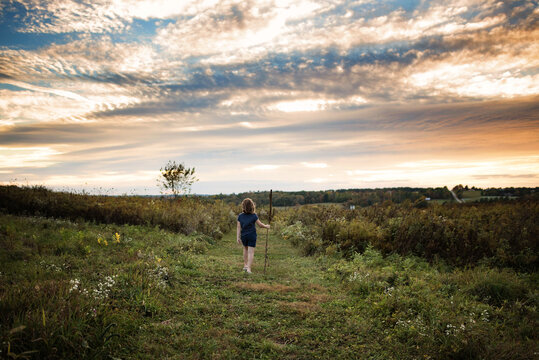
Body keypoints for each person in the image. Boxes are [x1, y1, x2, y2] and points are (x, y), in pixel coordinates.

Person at [237, 198, 270, 273]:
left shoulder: (240, 216)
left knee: (245, 249)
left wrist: (238, 237)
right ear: (252, 206)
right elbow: (260, 225)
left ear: (243, 206)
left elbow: (239, 227)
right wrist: (266, 226)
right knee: (251, 252)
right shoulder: (254, 216)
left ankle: (245, 265)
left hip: (244, 236)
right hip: (252, 235)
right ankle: (249, 268)